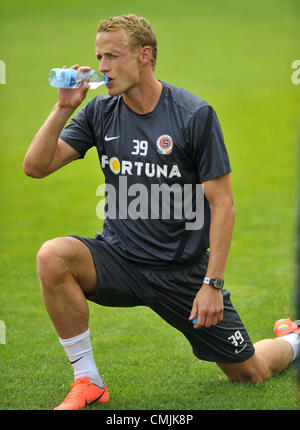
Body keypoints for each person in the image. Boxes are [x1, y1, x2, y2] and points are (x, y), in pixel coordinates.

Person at [24, 14, 300, 410]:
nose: (102, 67)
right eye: (98, 56)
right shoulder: (99, 112)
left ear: (145, 56)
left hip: (183, 274)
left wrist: (213, 285)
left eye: (112, 56)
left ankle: (293, 337)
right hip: (119, 259)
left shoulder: (193, 115)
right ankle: (88, 380)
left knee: (249, 371)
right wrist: (63, 108)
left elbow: (223, 204)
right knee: (53, 256)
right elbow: (36, 167)